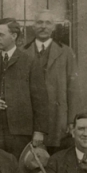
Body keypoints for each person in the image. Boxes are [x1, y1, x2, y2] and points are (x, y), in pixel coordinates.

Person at [0, 17, 49, 160]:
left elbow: (41, 100)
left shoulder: (30, 63)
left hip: (21, 132)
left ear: (14, 36)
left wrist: (39, 130)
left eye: (1, 35)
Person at [25, 11, 81, 153]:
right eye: (39, 22)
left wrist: (71, 120)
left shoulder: (66, 53)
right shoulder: (23, 53)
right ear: (33, 26)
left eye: (48, 23)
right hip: (31, 120)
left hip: (58, 119)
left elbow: (73, 89)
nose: (43, 26)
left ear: (54, 27)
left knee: (57, 163)